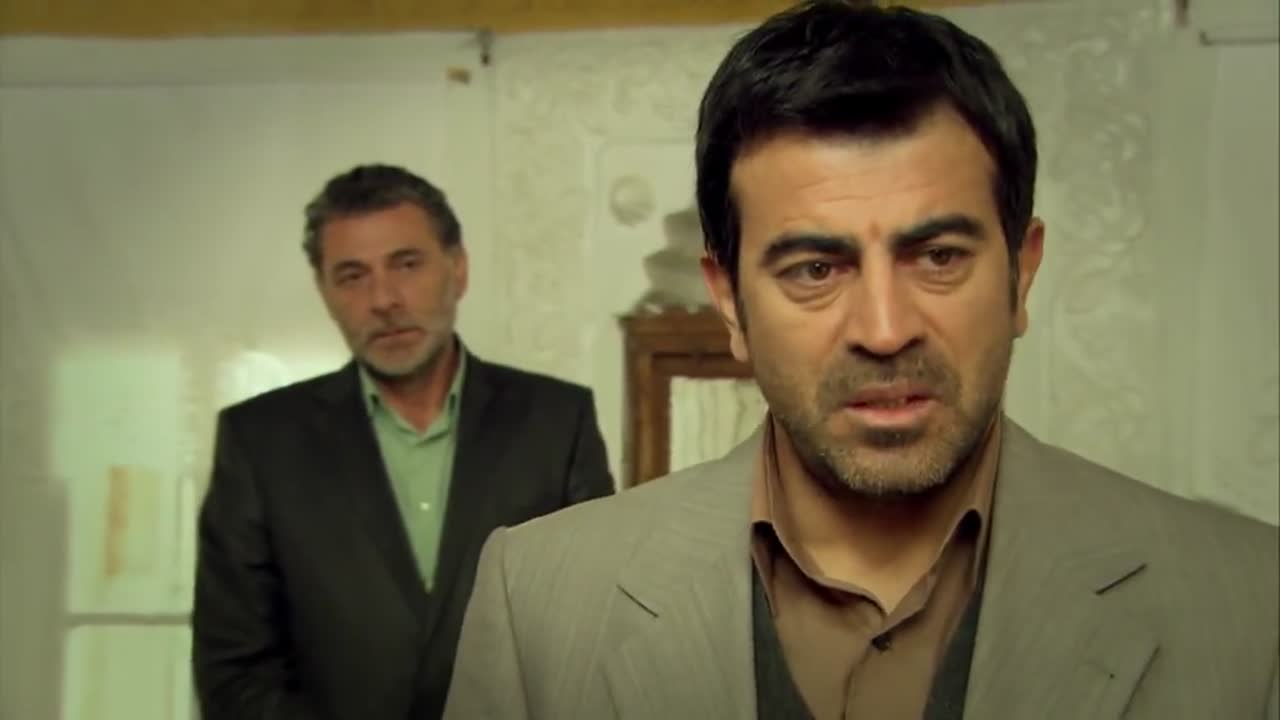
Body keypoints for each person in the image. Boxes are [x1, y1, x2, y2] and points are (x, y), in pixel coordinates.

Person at [442, 3, 1280, 719]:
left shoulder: (1251, 603)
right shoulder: (540, 604)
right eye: (815, 269)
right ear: (729, 301)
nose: (884, 330)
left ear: (1021, 276)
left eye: (939, 257)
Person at [192, 164, 615, 720]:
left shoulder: (556, 423)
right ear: (324, 292)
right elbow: (233, 677)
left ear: (458, 269)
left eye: (407, 264)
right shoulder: (260, 442)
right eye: (352, 276)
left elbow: (592, 640)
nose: (384, 298)